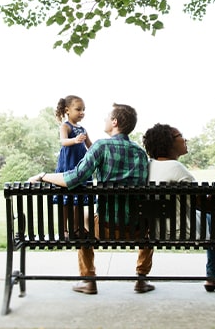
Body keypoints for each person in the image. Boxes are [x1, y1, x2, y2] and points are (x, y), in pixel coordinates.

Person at [28, 103, 154, 295]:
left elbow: (73, 178)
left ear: (115, 122)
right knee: (148, 223)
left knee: (81, 220)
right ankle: (141, 279)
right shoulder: (140, 152)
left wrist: (43, 175)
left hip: (105, 227)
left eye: (107, 117)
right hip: (135, 229)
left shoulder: (101, 146)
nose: (104, 119)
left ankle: (89, 280)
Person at [142, 123, 215, 292]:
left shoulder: (149, 166)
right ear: (168, 142)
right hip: (182, 230)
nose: (185, 139)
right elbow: (207, 205)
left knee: (214, 215)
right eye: (180, 135)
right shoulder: (176, 168)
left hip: (156, 230)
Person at [53, 95, 93, 235]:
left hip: (80, 168)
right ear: (67, 110)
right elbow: (63, 141)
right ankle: (63, 229)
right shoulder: (66, 126)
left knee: (78, 201)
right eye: (78, 109)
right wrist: (75, 140)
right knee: (66, 201)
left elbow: (91, 147)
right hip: (68, 166)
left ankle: (76, 228)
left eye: (83, 110)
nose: (82, 112)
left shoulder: (83, 129)